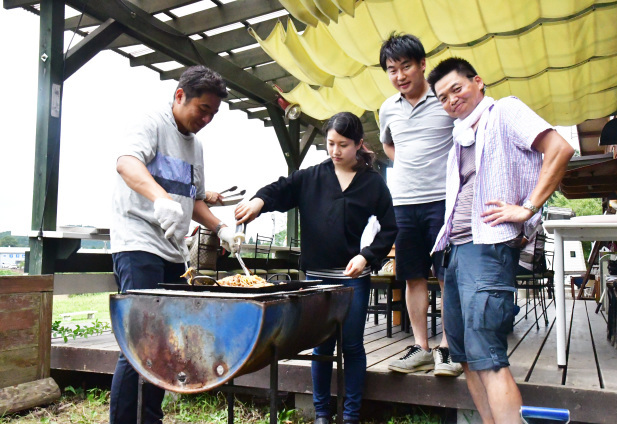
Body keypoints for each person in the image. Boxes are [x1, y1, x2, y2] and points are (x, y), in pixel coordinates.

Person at [427, 57, 574, 423]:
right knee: (465, 355)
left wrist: (527, 207)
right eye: (442, 98)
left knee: (487, 355)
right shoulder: (460, 137)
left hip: (488, 249)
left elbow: (560, 149)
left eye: (456, 89)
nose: (451, 101)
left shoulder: (504, 111)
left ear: (478, 82)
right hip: (456, 250)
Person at [235, 112, 397, 424]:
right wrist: (258, 202)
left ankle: (351, 415)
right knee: (322, 345)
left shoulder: (372, 183)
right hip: (316, 280)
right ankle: (322, 413)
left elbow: (391, 227)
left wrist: (367, 255)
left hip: (354, 280)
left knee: (352, 345)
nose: (335, 150)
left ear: (359, 145)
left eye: (343, 145)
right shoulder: (311, 176)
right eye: (331, 143)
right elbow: (280, 189)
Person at [109, 65, 244, 424]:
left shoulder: (196, 145)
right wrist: (158, 197)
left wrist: (221, 228)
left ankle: (149, 418)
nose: (207, 118)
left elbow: (194, 199)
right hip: (138, 242)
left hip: (173, 250)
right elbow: (126, 163)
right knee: (141, 341)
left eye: (213, 113)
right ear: (180, 95)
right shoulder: (150, 123)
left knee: (164, 343)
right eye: (203, 109)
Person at [378, 33, 462, 376]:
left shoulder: (443, 99)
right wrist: (409, 167)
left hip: (442, 202)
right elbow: (388, 146)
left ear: (422, 65)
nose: (399, 75)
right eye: (392, 69)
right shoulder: (387, 108)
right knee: (412, 276)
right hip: (402, 203)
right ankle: (421, 347)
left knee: (446, 277)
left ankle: (447, 349)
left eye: (406, 66)